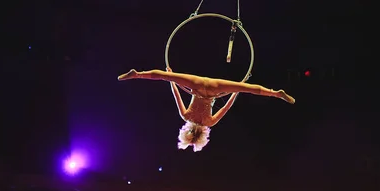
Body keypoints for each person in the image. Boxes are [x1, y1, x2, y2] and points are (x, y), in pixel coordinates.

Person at [118, 68, 295, 152]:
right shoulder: (186, 116)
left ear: (203, 135)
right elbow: (176, 94)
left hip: (213, 89)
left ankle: (275, 94)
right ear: (187, 131)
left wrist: (238, 88)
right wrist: (171, 77)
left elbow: (226, 106)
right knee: (164, 76)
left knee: (248, 88)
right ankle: (138, 74)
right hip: (195, 84)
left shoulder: (210, 122)